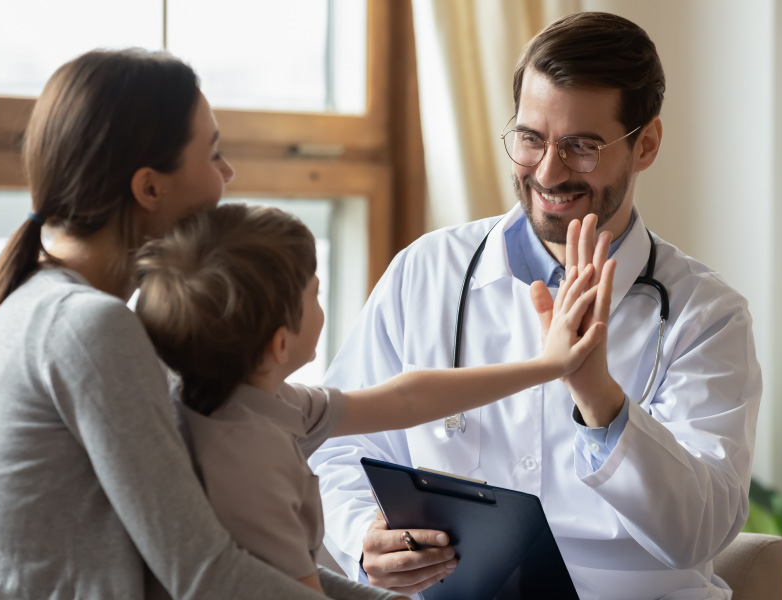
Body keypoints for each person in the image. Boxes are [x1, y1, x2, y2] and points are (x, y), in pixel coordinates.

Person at [308, 11, 762, 600]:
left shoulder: (706, 315)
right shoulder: (424, 272)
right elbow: (341, 443)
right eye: (530, 138)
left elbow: (699, 531)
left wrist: (599, 398)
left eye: (581, 146)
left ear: (645, 144)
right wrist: (361, 536)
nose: (548, 172)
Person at [0, 49, 346, 599]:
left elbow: (231, 560)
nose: (229, 175)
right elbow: (204, 574)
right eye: (215, 154)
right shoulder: (87, 327)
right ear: (150, 187)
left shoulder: (45, 305)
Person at [132, 202, 608, 598]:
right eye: (315, 293)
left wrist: (548, 366)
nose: (322, 302)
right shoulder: (252, 466)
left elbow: (405, 398)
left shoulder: (266, 402)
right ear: (280, 345)